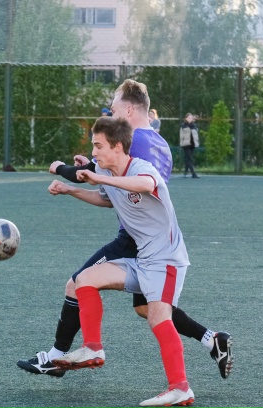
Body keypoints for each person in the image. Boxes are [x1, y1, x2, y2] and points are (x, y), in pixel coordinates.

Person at [17, 79, 232, 381]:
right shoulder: (159, 141)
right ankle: (211, 339)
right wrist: (89, 171)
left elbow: (102, 177)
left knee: (77, 283)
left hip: (136, 241)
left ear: (129, 110)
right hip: (148, 237)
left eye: (115, 106)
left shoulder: (135, 140)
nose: (111, 111)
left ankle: (56, 356)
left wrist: (62, 169)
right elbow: (114, 192)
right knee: (148, 309)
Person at [50, 116, 193, 406]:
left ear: (117, 147)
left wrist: (100, 176)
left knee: (158, 318)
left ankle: (181, 388)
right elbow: (107, 198)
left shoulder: (141, 168)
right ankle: (93, 348)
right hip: (142, 258)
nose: (94, 153)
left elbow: (145, 184)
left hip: (166, 260)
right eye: (93, 146)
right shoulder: (107, 171)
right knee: (84, 279)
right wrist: (71, 189)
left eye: (98, 146)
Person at [179, 113, 200, 178]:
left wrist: (196, 142)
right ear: (186, 118)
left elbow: (196, 135)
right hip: (186, 144)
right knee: (190, 159)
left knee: (188, 159)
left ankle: (185, 172)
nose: (190, 119)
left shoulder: (194, 126)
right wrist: (182, 143)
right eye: (189, 118)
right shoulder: (183, 126)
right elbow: (181, 135)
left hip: (192, 144)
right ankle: (193, 174)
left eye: (191, 118)